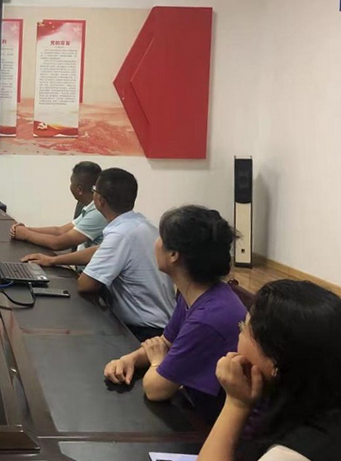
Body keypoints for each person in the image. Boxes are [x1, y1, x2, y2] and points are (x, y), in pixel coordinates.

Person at [104, 205, 247, 421]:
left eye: (161, 237)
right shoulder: (195, 293)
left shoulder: (208, 318)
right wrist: (129, 359)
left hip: (222, 427)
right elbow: (165, 342)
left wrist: (156, 361)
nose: (156, 242)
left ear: (173, 255)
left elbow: (155, 389)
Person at [198, 280, 341, 461]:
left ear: (275, 361)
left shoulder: (291, 454)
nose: (238, 336)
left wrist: (236, 403)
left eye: (243, 328)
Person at [76, 168, 176, 342]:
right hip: (164, 324)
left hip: (143, 332)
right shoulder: (140, 224)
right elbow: (100, 251)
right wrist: (54, 260)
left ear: (99, 200)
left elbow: (85, 285)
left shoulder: (120, 234)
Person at [14, 161, 107, 268]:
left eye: (71, 183)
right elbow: (60, 231)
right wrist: (26, 229)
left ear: (79, 189)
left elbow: (58, 243)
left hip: (87, 273)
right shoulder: (91, 207)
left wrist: (26, 234)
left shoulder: (98, 213)